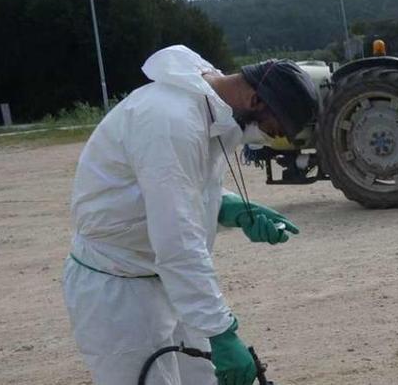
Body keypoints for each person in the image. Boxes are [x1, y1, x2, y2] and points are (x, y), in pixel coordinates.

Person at [62, 45, 319, 385]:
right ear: (256, 101)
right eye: (276, 127)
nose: (275, 137)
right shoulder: (171, 121)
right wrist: (222, 332)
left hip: (167, 283)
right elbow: (177, 241)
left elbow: (177, 191)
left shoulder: (206, 104)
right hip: (120, 291)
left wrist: (227, 208)